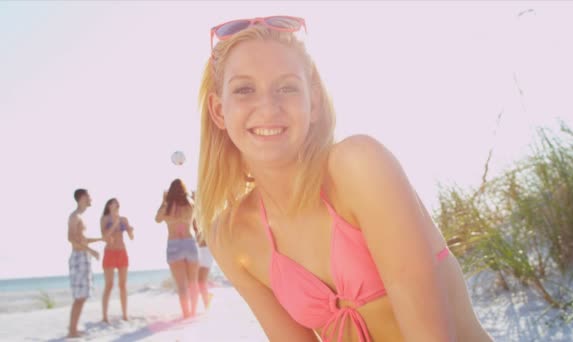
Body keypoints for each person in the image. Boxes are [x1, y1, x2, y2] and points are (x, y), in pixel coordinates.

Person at [194, 16, 493, 341]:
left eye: (287, 87)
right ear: (219, 111)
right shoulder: (230, 235)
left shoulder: (359, 166)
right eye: (245, 89)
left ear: (315, 102)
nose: (268, 106)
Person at [155, 179, 199, 319]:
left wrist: (164, 200)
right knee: (193, 282)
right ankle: (193, 312)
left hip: (174, 244)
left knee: (182, 285)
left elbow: (157, 219)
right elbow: (198, 217)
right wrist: (194, 198)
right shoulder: (190, 204)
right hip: (189, 242)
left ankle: (186, 314)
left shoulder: (167, 206)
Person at [66, 188, 105, 338]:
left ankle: (73, 329)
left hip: (83, 256)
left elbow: (81, 238)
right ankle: (72, 331)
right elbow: (71, 238)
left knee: (82, 296)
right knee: (79, 297)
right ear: (82, 197)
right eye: (89, 196)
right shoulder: (74, 216)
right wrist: (91, 251)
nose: (91, 198)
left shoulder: (81, 217)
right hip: (78, 257)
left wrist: (100, 240)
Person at [100, 198, 134, 323]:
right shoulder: (104, 219)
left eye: (117, 205)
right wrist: (114, 224)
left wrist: (130, 230)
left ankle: (125, 314)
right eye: (113, 205)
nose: (115, 207)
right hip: (109, 252)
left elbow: (131, 237)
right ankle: (104, 316)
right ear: (108, 206)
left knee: (123, 285)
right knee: (109, 285)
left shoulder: (124, 219)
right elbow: (104, 238)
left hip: (122, 252)